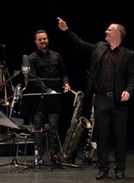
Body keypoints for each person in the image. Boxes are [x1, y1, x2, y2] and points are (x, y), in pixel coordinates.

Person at [57, 17, 134, 180]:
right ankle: (103, 168)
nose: (106, 31)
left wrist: (129, 91)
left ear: (118, 34)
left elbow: (132, 77)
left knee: (120, 136)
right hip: (100, 99)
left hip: (119, 101)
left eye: (109, 29)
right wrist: (66, 30)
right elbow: (79, 44)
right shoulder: (99, 47)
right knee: (102, 136)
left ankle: (120, 169)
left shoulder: (128, 54)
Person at [27, 29, 70, 165]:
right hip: (40, 96)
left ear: (48, 39)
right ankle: (38, 156)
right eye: (40, 39)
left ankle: (54, 155)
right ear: (35, 42)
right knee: (38, 127)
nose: (42, 41)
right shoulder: (31, 58)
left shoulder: (56, 56)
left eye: (44, 38)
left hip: (55, 95)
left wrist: (66, 83)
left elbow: (63, 73)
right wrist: (47, 90)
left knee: (54, 126)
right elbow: (32, 78)